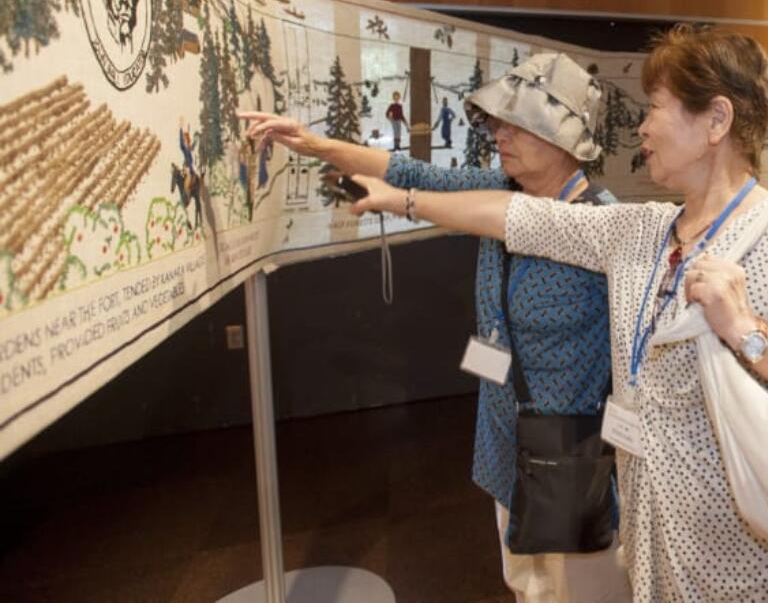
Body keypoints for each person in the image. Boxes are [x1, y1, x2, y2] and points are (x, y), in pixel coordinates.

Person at [341, 24, 768, 602]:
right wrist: (403, 200)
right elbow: (514, 214)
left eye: (656, 107)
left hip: (752, 555)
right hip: (656, 546)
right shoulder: (640, 231)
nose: (642, 126)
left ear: (717, 121)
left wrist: (748, 332)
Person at [242, 52, 631, 603]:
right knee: (523, 580)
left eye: (516, 124)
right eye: (498, 121)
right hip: (504, 430)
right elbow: (413, 174)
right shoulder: (500, 189)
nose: (499, 133)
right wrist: (312, 143)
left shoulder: (604, 224)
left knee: (579, 589)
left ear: (563, 137)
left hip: (571, 450)